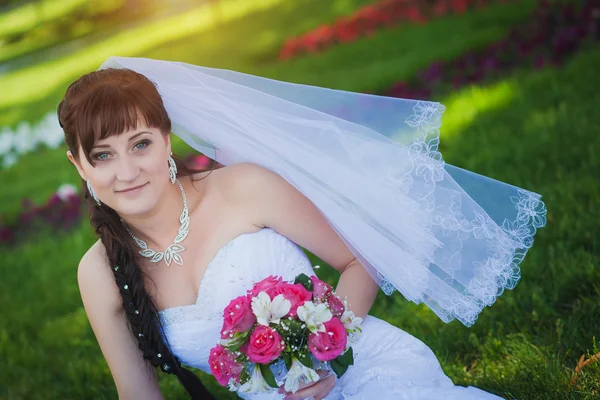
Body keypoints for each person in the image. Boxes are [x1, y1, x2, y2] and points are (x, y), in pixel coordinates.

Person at [60, 61, 545, 399]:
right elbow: (138, 393)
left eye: (140, 144)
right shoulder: (100, 272)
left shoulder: (242, 188)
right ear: (78, 165)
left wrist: (326, 359)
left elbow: (360, 259)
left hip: (362, 374)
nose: (127, 171)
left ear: (166, 139)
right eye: (103, 154)